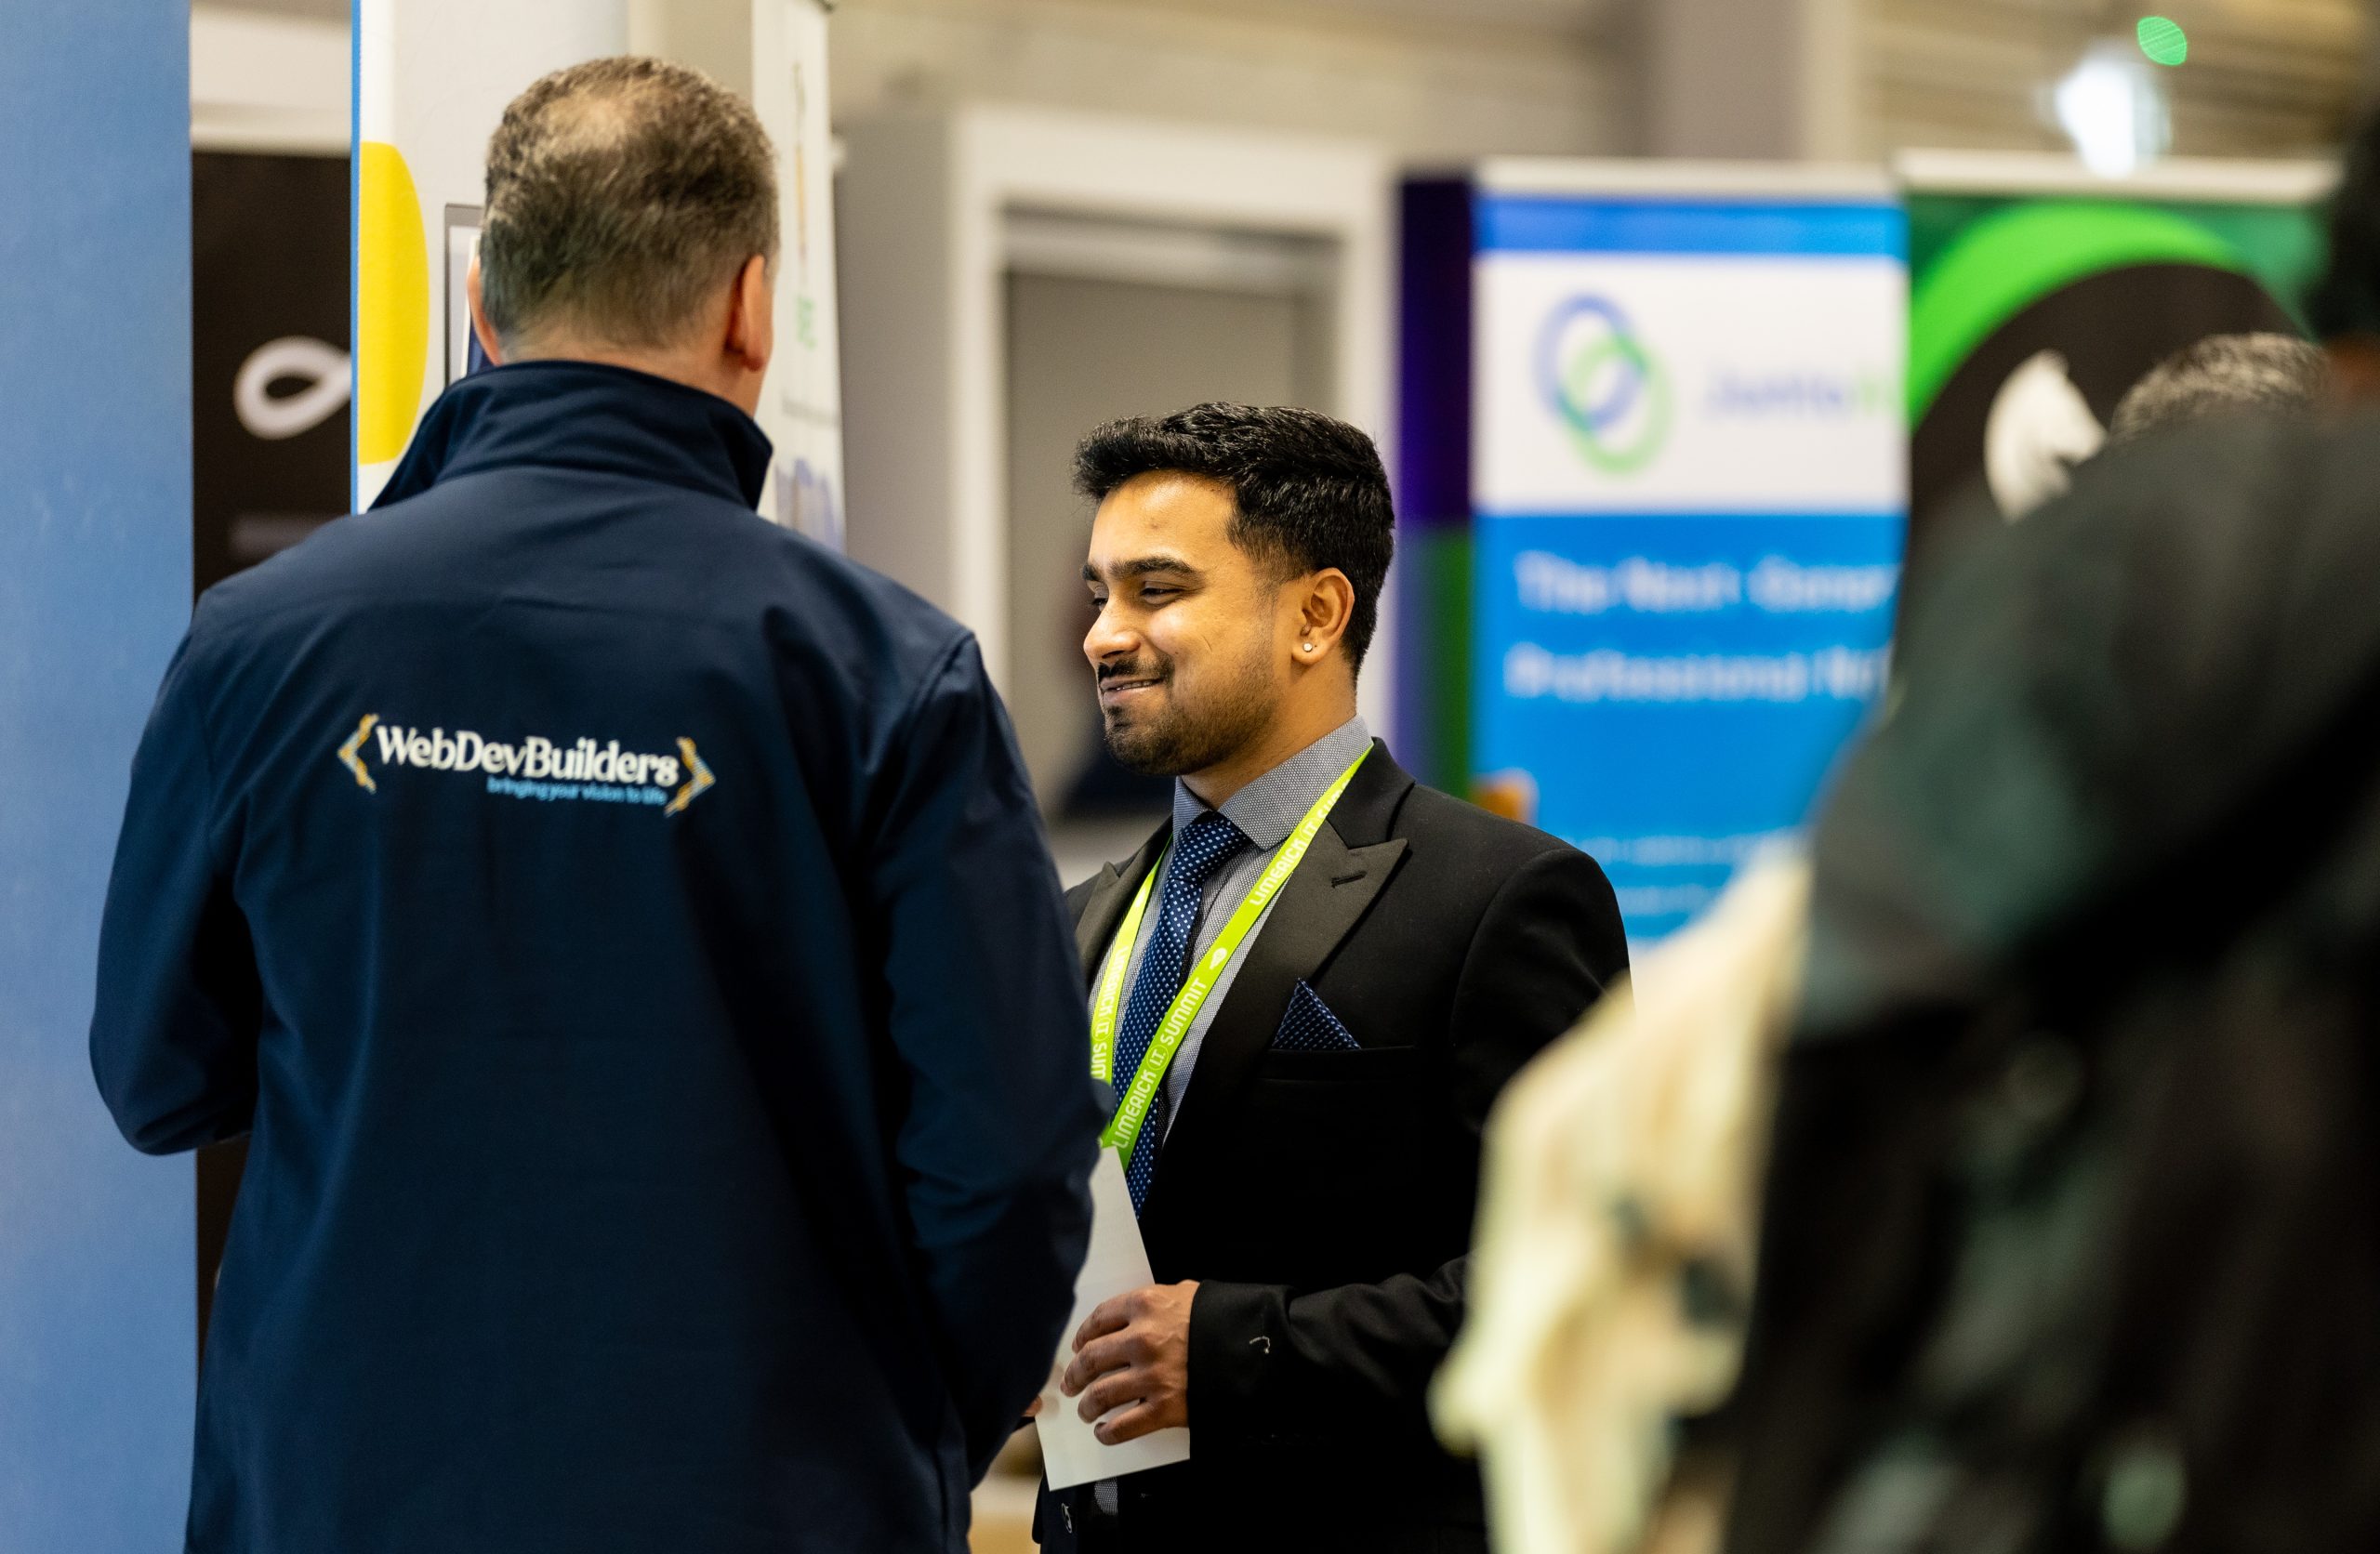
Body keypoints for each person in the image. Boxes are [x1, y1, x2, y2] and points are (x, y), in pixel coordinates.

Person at [90, 58, 1100, 1554]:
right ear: (754, 308)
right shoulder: (889, 673)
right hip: (770, 1494)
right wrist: (898, 1432)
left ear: (482, 308)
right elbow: (1007, 1166)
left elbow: (157, 1076)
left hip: (341, 1489)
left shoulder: (261, 643)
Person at [1037, 402, 1630, 1554]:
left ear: (1316, 614)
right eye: (1100, 591)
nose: (1105, 633)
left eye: (1155, 591)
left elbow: (1580, 1277)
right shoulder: (1084, 919)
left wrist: (1238, 1345)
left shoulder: (1499, 896)